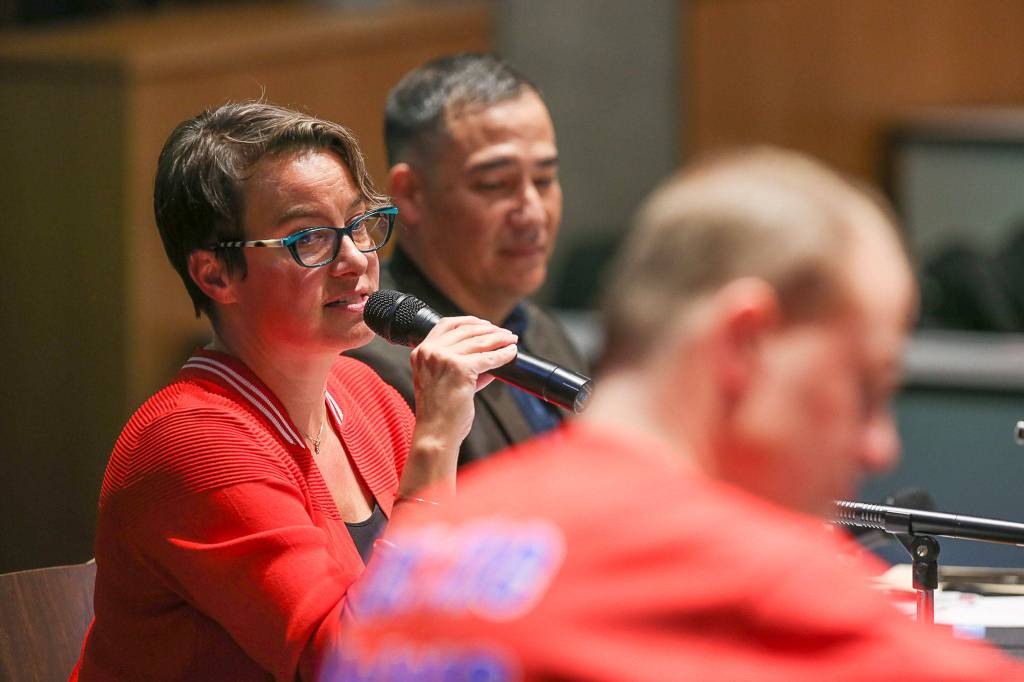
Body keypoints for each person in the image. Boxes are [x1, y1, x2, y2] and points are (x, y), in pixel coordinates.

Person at [330, 148, 1023, 681]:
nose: (880, 447)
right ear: (744, 343)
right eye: (865, 389)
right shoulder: (740, 578)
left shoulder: (422, 553)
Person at [72, 102, 519, 681]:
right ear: (215, 275)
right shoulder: (191, 443)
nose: (356, 259)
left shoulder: (364, 395)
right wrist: (435, 439)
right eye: (310, 239)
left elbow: (445, 615)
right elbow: (348, 663)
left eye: (360, 225)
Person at [346, 53, 588, 467]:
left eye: (545, 180)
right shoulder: (374, 363)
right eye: (495, 184)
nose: (532, 212)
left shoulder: (539, 327)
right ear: (411, 194)